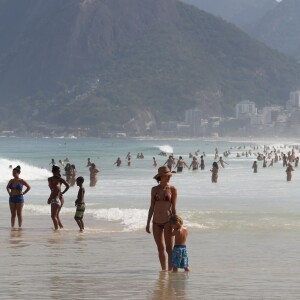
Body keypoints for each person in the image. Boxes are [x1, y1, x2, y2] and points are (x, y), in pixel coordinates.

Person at [146, 166, 177, 271]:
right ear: (161, 176)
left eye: (169, 176)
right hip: (156, 222)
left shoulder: (172, 189)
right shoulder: (154, 189)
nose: (169, 177)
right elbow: (151, 207)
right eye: (167, 176)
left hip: (168, 221)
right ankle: (164, 271)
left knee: (169, 249)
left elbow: (174, 208)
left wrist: (176, 225)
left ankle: (170, 271)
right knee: (160, 248)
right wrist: (147, 223)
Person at [48, 165, 70, 230]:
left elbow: (68, 186)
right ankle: (61, 228)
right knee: (56, 215)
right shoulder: (50, 179)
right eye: (59, 171)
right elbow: (52, 188)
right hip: (55, 196)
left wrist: (62, 192)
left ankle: (58, 228)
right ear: (55, 171)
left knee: (56, 215)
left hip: (59, 197)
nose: (59, 172)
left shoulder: (59, 179)